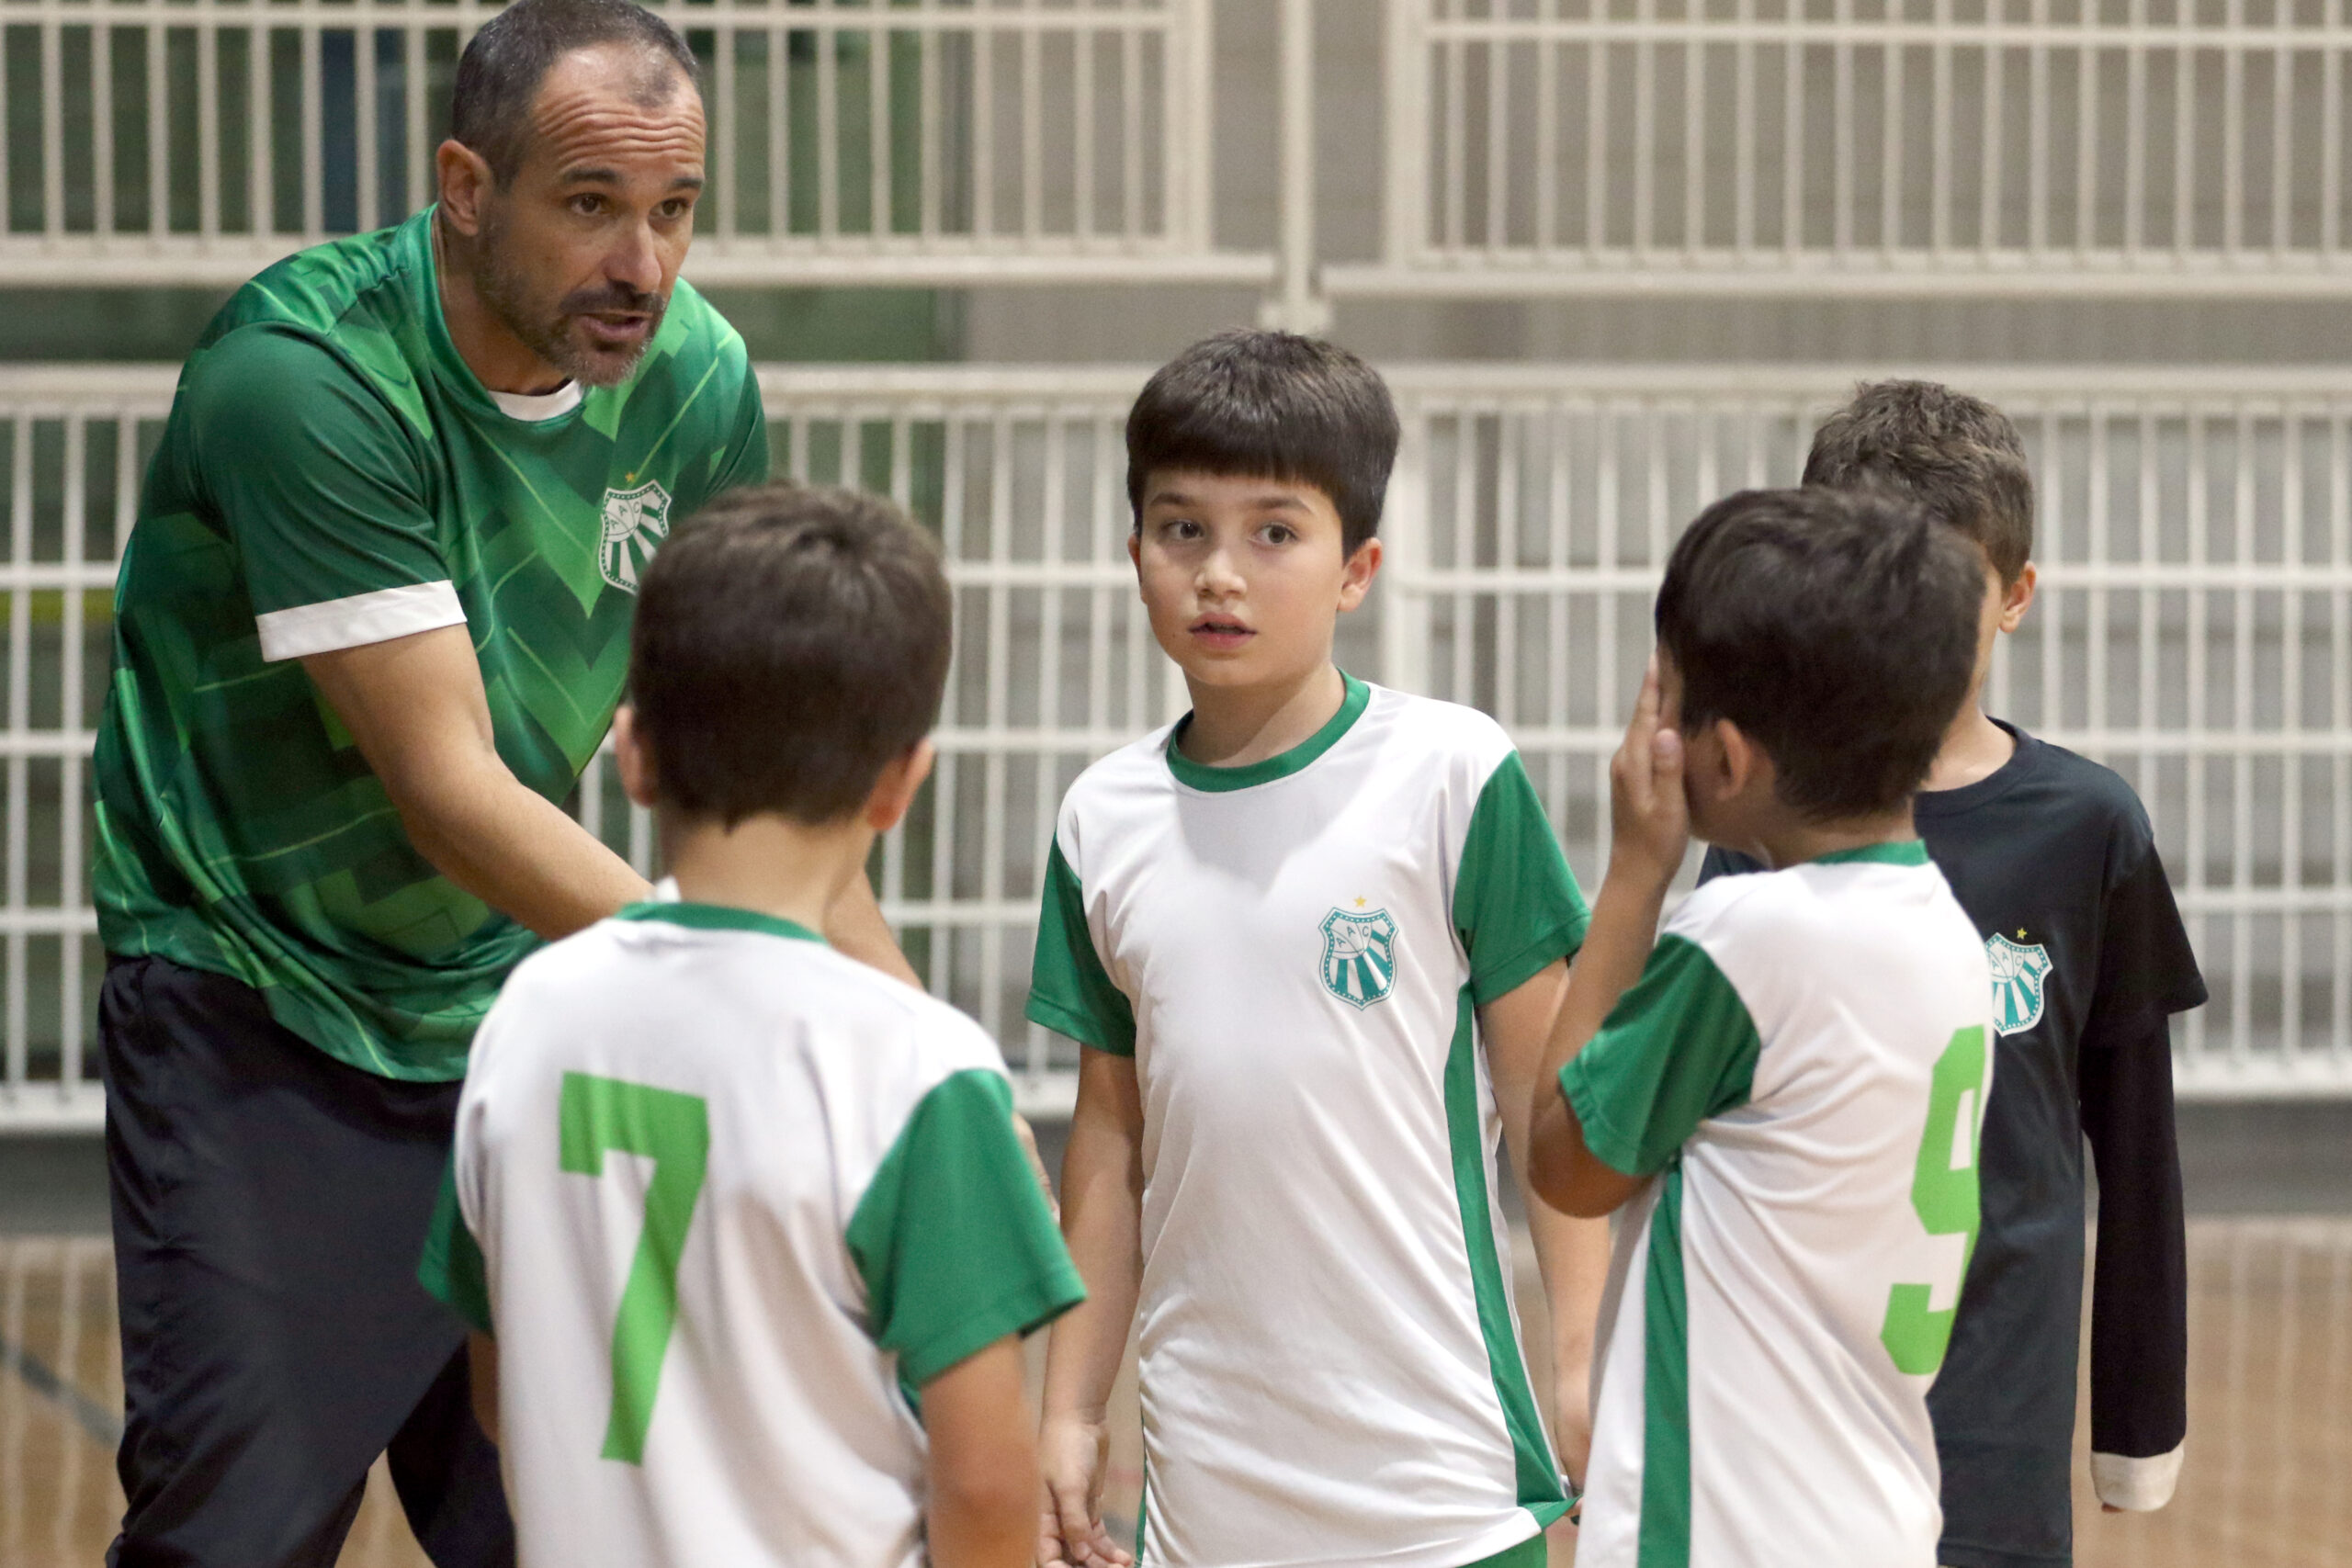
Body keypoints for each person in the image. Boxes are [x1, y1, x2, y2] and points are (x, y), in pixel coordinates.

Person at [89, 3, 904, 1562]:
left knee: (586, 1521)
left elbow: (757, 791)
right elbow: (449, 788)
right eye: (590, 204)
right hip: (260, 1003)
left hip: (518, 999)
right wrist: (771, 990)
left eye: (675, 212)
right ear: (466, 186)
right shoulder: (308, 376)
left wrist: (910, 1054)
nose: (644, 266)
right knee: (235, 1534)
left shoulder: (695, 384)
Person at [415, 484, 1083, 1568]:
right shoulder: (918, 1070)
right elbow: (987, 1481)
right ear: (899, 784)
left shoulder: (525, 1017)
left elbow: (503, 1396)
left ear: (632, 753)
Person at [1027, 330, 1611, 1568]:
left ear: (1359, 569)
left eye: (1274, 532)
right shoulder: (1100, 818)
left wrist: (1577, 1358)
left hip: (1442, 1482)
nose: (1220, 574)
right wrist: (1071, 1408)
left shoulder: (1453, 773)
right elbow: (1109, 1139)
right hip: (1210, 1494)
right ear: (1133, 553)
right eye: (1181, 529)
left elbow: (1545, 1106)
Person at [1699, 382, 2205, 1568]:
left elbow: (2138, 1158)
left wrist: (2139, 1424)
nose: (1894, 635)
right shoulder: (1763, 822)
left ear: (2016, 595)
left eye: (1937, 594)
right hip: (1794, 1419)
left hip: (1995, 1438)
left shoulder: (2088, 829)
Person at [1527, 486, 1996, 1568]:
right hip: (1875, 1511)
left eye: (1670, 706)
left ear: (1724, 760)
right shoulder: (1946, 934)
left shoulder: (1748, 936)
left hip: (1728, 1532)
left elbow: (1562, 1159)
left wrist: (1636, 870)